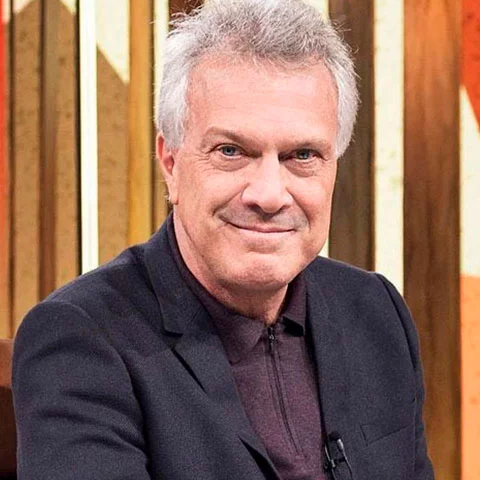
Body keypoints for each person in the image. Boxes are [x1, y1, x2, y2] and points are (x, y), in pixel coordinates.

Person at [12, 0, 434, 479]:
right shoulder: (80, 341)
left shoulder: (375, 311)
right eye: (231, 151)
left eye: (302, 155)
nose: (269, 195)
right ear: (171, 163)